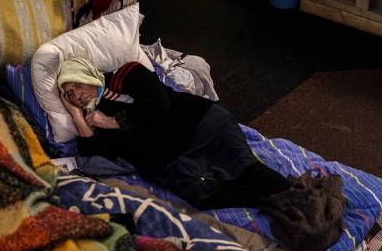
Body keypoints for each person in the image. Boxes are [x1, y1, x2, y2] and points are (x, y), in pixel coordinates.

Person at [57, 56, 291, 210]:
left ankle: (299, 199)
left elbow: (158, 106)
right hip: (171, 162)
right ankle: (273, 206)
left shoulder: (126, 74)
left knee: (245, 169)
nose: (76, 95)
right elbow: (94, 151)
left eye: (77, 84)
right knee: (205, 196)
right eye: (69, 94)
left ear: (88, 73)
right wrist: (76, 115)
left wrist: (113, 121)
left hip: (200, 126)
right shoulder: (92, 117)